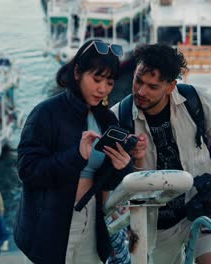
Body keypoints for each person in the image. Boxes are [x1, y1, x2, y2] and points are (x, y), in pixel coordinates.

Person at [111, 43, 211, 264]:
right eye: (138, 80)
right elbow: (120, 182)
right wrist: (134, 159)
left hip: (203, 206)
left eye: (152, 86)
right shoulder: (119, 118)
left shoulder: (196, 99)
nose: (141, 91)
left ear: (170, 87)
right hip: (156, 227)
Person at [15, 39, 134, 264]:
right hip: (51, 226)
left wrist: (123, 165)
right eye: (97, 79)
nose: (103, 89)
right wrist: (76, 155)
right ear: (77, 72)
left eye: (109, 82)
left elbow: (107, 181)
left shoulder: (107, 118)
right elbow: (28, 171)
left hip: (92, 223)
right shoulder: (46, 113)